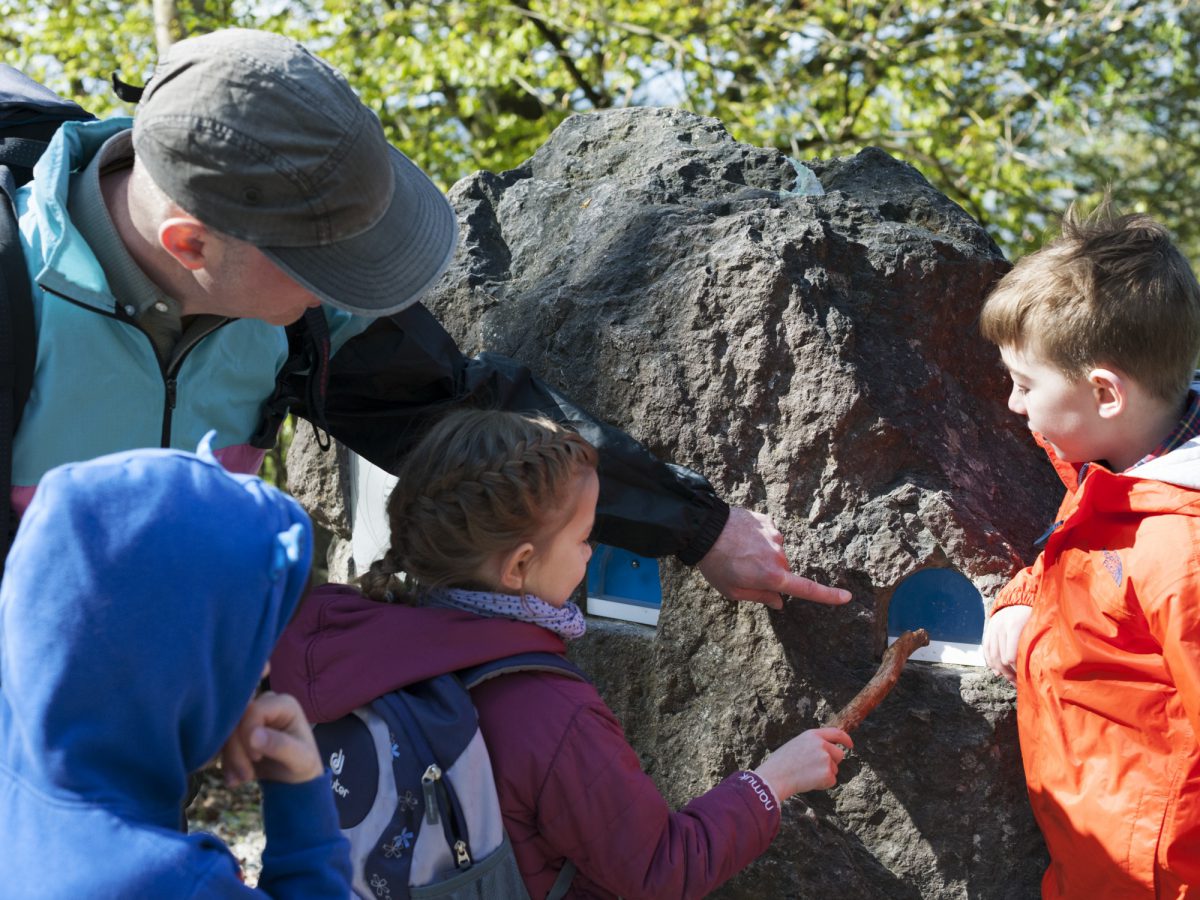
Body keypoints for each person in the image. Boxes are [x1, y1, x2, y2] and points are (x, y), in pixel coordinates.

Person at [9, 26, 847, 610]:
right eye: (323, 271)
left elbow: (454, 413)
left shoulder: (296, 311)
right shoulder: (20, 303)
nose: (344, 295)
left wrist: (700, 528)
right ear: (190, 244)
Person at [271, 408, 853, 900]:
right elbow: (659, 868)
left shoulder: (348, 644)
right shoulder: (549, 712)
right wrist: (771, 782)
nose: (591, 551)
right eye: (581, 538)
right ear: (520, 565)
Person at [0, 440, 351, 897]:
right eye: (244, 640)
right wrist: (303, 816)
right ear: (167, 671)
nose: (264, 666)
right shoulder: (176, 883)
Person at [978, 202, 1200, 897]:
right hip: (1093, 863)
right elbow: (1074, 549)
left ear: (1104, 392)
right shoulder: (1113, 471)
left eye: (1025, 385)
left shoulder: (1180, 546)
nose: (1014, 405)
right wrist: (1025, 599)